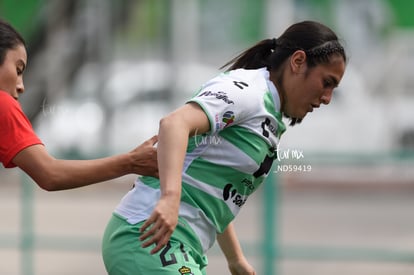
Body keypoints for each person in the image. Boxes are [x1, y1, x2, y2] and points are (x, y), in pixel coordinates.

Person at [102, 20, 347, 275]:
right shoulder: (249, 92)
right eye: (326, 82)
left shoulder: (268, 113)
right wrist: (170, 198)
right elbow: (174, 124)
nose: (327, 98)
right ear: (298, 62)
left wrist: (235, 259)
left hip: (178, 245)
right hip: (146, 235)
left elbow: (212, 190)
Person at [0, 18, 158, 190]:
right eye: (18, 70)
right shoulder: (3, 104)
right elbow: (50, 173)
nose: (21, 86)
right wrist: (130, 162)